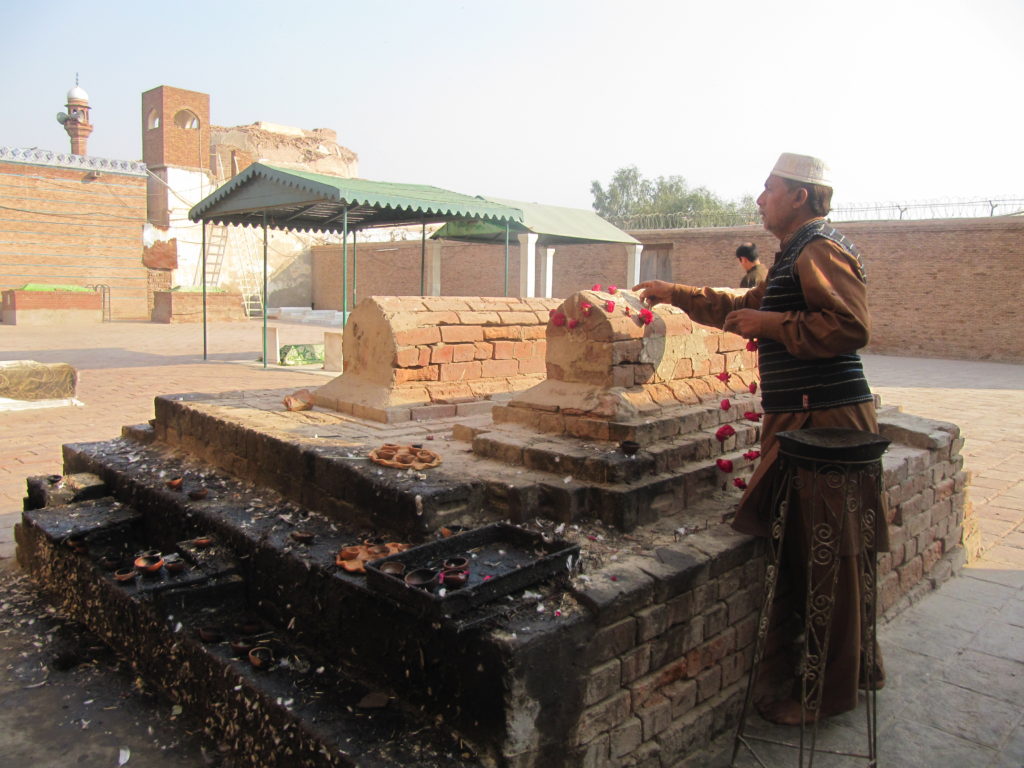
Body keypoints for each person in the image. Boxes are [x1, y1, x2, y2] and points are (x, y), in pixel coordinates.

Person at [634, 152, 886, 726]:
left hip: (825, 424)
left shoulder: (820, 246)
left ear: (800, 195)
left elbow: (851, 326)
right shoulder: (795, 253)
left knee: (828, 555)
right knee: (818, 550)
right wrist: (675, 292)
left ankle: (826, 693)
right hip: (802, 417)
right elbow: (748, 305)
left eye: (768, 188)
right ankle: (856, 667)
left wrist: (771, 327)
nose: (759, 198)